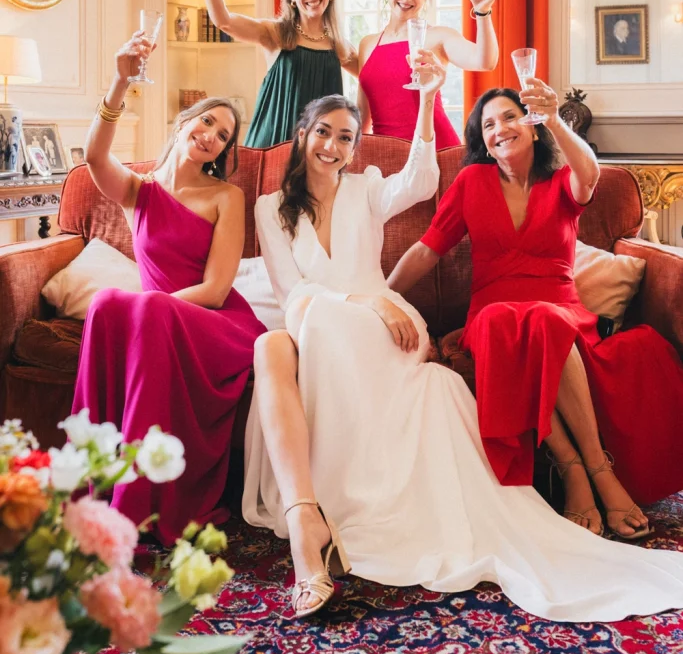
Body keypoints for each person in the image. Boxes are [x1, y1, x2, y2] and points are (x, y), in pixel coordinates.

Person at [242, 74, 683, 625]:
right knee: (322, 323)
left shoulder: (368, 186)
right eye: (324, 133)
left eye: (346, 137)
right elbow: (300, 291)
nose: (333, 146)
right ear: (303, 133)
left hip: (464, 316)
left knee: (535, 323)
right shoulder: (268, 208)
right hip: (336, 317)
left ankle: (587, 470)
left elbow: (422, 180)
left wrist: (427, 98)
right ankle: (325, 509)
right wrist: (378, 301)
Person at [390, 80, 683, 538]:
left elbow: (589, 174)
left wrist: (556, 121)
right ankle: (583, 469)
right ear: (480, 140)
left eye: (509, 116)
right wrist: (382, 296)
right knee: (513, 322)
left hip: (558, 311)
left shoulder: (560, 179)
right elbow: (427, 250)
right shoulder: (471, 181)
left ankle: (587, 472)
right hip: (492, 315)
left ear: (531, 124)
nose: (500, 129)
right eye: (487, 125)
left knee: (544, 320)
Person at [72, 31, 266, 545]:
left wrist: (152, 307)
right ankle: (97, 481)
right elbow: (94, 156)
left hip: (216, 323)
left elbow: (218, 288)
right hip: (153, 321)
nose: (211, 135)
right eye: (207, 121)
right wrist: (120, 80)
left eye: (223, 134)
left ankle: (138, 509)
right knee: (107, 302)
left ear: (224, 151)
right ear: (185, 124)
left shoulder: (227, 196)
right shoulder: (140, 190)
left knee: (140, 308)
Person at [185, 0, 357, 147]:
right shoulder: (275, 33)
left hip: (322, 154)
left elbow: (375, 80)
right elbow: (224, 22)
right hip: (272, 146)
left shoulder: (340, 46)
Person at [357, 0, 499, 149]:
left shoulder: (437, 36)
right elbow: (363, 117)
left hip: (435, 150)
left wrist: (483, 12)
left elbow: (485, 61)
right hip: (387, 156)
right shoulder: (367, 44)